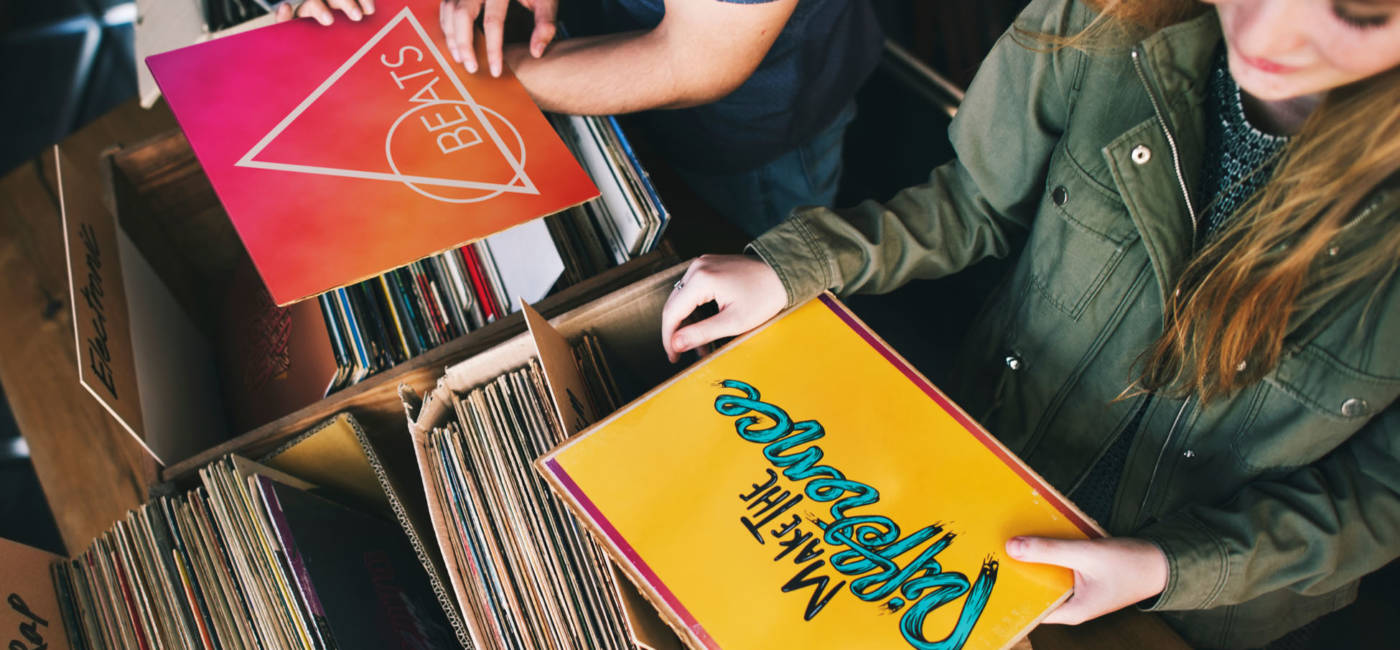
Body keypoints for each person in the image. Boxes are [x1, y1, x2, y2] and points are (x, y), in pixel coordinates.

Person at [658, 0, 1400, 647]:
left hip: (1203, 612)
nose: (1267, 28)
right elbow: (974, 201)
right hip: (977, 493)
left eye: (1358, 11)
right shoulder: (1105, 16)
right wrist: (805, 262)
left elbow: (1382, 494)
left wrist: (1167, 566)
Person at [276, 0, 884, 238]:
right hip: (591, 36)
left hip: (751, 134)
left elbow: (691, 62)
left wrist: (468, 84)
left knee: (748, 268)